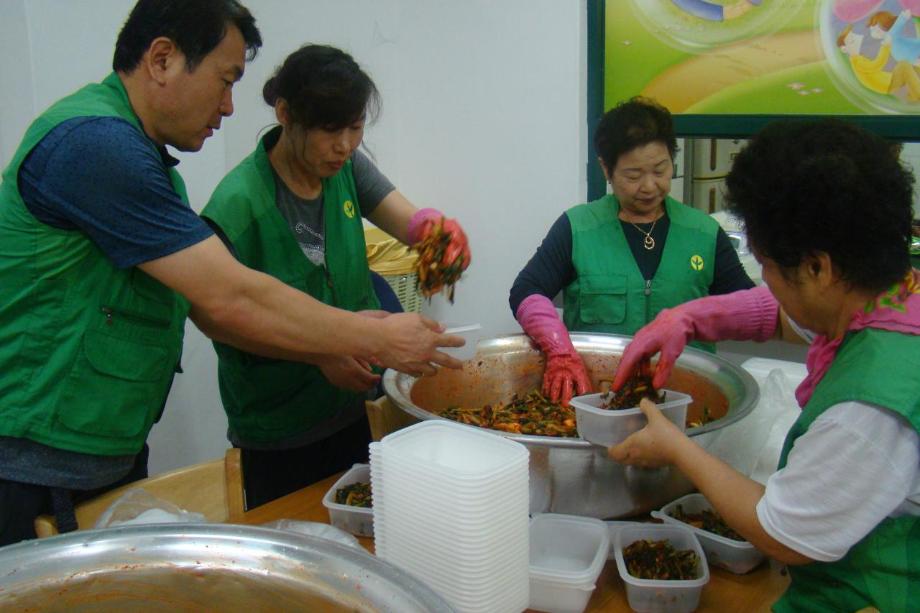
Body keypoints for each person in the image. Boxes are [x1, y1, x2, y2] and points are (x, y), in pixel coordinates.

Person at [0, 1, 462, 547]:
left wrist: (432, 232)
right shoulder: (98, 148)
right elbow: (226, 299)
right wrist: (379, 335)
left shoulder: (142, 158)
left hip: (101, 448)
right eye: (225, 80)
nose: (227, 107)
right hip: (39, 464)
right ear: (163, 59)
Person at [609, 118, 919, 611]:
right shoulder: (892, 293)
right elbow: (785, 317)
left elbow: (784, 535)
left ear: (817, 268)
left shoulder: (867, 408)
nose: (765, 281)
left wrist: (677, 448)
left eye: (767, 266)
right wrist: (685, 319)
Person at [200, 44, 471, 509]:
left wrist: (436, 233)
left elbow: (406, 220)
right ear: (285, 114)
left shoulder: (344, 169)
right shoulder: (236, 206)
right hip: (278, 428)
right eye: (329, 130)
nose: (344, 144)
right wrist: (319, 350)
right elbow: (222, 321)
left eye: (355, 127)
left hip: (352, 409)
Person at [509, 96, 753, 405]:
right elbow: (526, 290)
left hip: (684, 403)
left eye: (661, 170)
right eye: (633, 176)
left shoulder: (703, 232)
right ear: (606, 169)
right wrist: (558, 348)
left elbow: (747, 306)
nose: (649, 186)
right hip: (596, 399)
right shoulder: (578, 227)